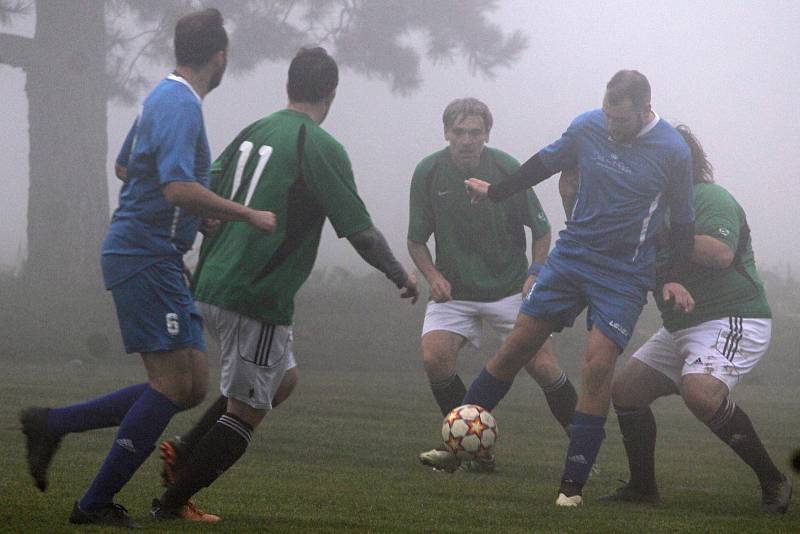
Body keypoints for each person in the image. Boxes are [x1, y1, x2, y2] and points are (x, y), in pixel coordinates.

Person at [18, 9, 278, 527]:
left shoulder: (162, 96)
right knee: (170, 385)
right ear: (220, 58)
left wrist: (189, 214)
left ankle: (53, 423)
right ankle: (93, 504)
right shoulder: (180, 106)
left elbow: (126, 165)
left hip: (153, 252)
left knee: (194, 384)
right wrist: (244, 213)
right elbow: (175, 185)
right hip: (143, 253)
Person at [148, 46, 419, 522]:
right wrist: (400, 274)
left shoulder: (255, 131)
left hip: (211, 282)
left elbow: (204, 188)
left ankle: (187, 448)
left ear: (288, 85)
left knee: (282, 380)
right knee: (248, 408)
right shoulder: (318, 144)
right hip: (256, 294)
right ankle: (172, 503)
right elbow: (359, 231)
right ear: (332, 92)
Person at [461, 70, 696, 507]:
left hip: (623, 274)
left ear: (645, 109)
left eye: (620, 120)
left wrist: (676, 274)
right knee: (516, 347)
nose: (610, 127)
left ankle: (572, 487)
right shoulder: (588, 124)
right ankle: (457, 442)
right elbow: (544, 163)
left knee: (597, 366)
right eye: (607, 115)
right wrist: (496, 192)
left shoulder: (672, 151)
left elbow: (682, 220)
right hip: (572, 257)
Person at [597, 124, 792, 514]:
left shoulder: (709, 196)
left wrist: (661, 231)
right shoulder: (649, 211)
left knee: (700, 393)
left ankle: (774, 480)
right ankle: (643, 487)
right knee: (625, 391)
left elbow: (720, 253)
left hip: (734, 316)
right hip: (681, 326)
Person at [408, 98, 577, 473]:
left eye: (475, 132)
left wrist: (535, 272)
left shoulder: (505, 168)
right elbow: (416, 240)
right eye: (459, 132)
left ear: (487, 134)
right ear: (446, 134)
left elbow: (542, 228)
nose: (467, 140)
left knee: (543, 366)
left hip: (509, 289)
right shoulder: (428, 172)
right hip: (455, 290)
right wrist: (433, 276)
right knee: (434, 358)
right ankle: (472, 451)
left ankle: (583, 447)